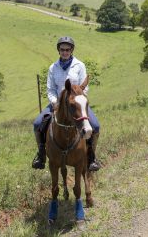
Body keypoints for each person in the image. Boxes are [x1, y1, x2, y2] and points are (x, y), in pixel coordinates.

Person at [32, 36, 101, 171]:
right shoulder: (53, 68)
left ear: (72, 50)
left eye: (67, 49)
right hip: (57, 104)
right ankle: (41, 154)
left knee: (96, 126)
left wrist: (77, 99)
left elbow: (84, 87)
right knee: (37, 123)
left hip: (76, 104)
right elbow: (50, 89)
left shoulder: (79, 65)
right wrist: (54, 103)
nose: (65, 52)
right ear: (58, 50)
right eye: (62, 49)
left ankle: (91, 156)